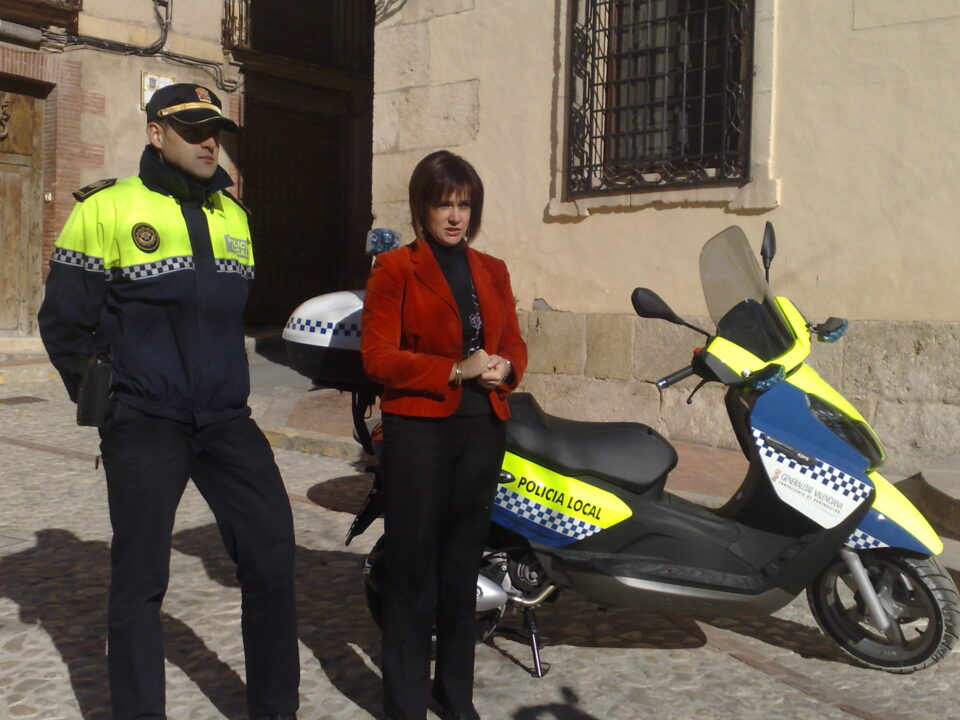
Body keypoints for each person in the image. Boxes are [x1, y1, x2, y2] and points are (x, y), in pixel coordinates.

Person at [37, 83, 299, 720]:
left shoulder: (234, 216)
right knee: (140, 580)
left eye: (215, 132)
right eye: (192, 130)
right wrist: (112, 403)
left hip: (226, 420)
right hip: (146, 421)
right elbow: (64, 323)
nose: (209, 143)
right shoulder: (107, 208)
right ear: (156, 134)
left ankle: (275, 710)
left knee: (271, 557)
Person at [361, 150, 527, 720]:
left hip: (482, 429)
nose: (455, 216)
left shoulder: (493, 269)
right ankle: (405, 703)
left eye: (464, 205)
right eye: (443, 204)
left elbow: (514, 341)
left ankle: (454, 696)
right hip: (419, 432)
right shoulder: (395, 269)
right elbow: (377, 357)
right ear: (422, 207)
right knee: (412, 570)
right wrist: (454, 369)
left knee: (461, 569)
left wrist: (507, 366)